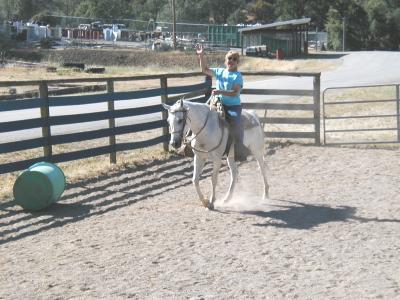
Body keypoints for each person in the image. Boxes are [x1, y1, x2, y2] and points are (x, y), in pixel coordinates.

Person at [195, 44, 249, 162]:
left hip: (233, 106)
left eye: (234, 59)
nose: (231, 61)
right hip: (219, 103)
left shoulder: (237, 76)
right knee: (204, 117)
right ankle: (194, 143)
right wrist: (201, 56)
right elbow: (204, 70)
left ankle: (239, 149)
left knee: (235, 122)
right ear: (226, 60)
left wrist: (220, 91)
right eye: (229, 58)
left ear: (237, 62)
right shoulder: (220, 71)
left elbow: (235, 92)